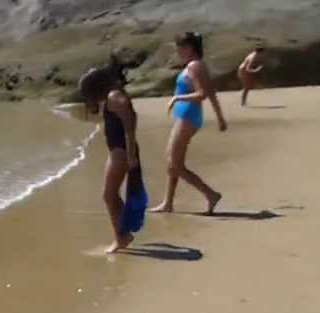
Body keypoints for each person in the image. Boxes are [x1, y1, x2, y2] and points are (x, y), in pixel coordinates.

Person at [151, 32, 227, 215]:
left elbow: (202, 94)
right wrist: (220, 117)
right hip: (187, 116)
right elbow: (211, 91)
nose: (177, 52)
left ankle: (211, 194)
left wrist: (177, 98)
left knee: (174, 163)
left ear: (188, 48)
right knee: (173, 161)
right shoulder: (198, 65)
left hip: (188, 116)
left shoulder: (194, 66)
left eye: (179, 48)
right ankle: (168, 203)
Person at [78, 63, 146, 253]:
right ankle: (123, 233)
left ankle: (121, 237)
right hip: (119, 150)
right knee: (110, 195)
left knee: (109, 195)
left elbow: (130, 123)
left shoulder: (114, 97)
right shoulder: (115, 95)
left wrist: (131, 152)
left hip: (121, 151)